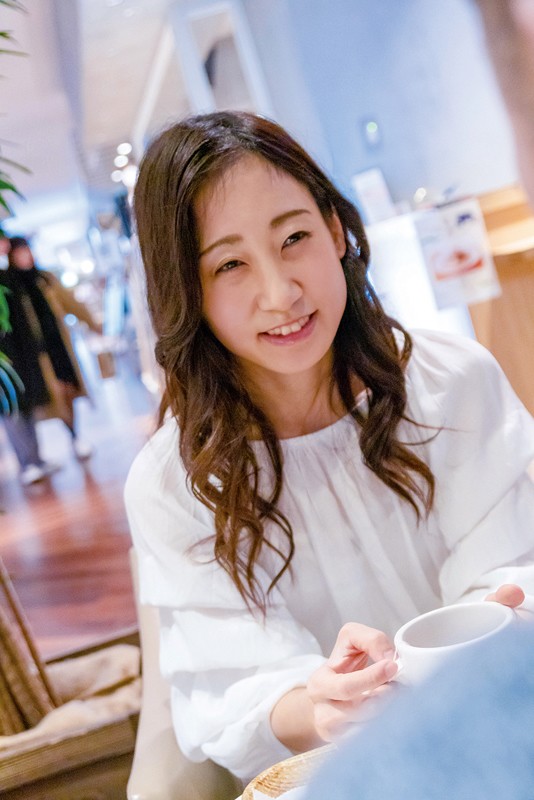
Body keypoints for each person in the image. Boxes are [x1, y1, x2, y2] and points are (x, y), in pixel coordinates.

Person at [124, 110, 534, 784]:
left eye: (294, 237)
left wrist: (496, 621)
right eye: (230, 264)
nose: (280, 293)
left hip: (496, 732)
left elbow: (510, 567)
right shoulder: (176, 482)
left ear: (336, 230)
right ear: (187, 291)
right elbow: (238, 690)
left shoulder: (451, 384)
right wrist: (322, 704)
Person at [0, 236, 101, 485]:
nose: (25, 257)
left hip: (59, 348)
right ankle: (40, 456)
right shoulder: (10, 284)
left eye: (27, 251)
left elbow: (71, 303)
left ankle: (74, 438)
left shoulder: (45, 279)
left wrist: (93, 324)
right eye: (19, 253)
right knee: (50, 398)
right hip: (34, 357)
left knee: (68, 391)